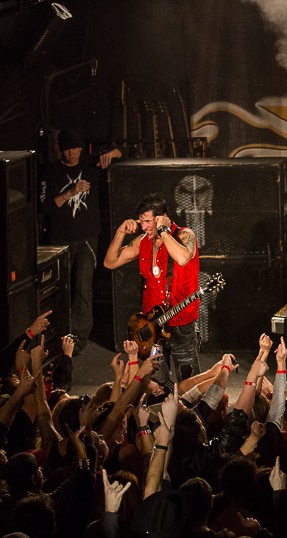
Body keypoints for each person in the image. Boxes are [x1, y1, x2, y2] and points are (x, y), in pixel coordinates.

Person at [38, 129, 123, 355]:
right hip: (60, 240)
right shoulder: (51, 172)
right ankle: (58, 336)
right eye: (68, 149)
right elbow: (46, 207)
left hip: (87, 238)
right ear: (60, 150)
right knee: (60, 289)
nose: (73, 153)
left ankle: (78, 340)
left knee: (84, 287)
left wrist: (112, 154)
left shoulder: (88, 164)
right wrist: (70, 192)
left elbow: (121, 152)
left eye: (76, 148)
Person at [103, 194, 200, 381]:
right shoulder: (143, 241)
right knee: (157, 381)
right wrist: (121, 232)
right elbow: (110, 262)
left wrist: (164, 230)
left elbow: (182, 258)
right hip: (152, 322)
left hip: (180, 319)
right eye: (141, 222)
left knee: (187, 381)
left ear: (162, 217)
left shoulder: (184, 235)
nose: (144, 226)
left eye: (147, 221)